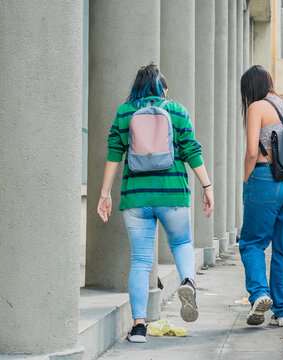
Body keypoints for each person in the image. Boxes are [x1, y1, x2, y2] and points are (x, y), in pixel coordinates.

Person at [97, 63, 214, 343]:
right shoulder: (176, 111)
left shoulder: (125, 112)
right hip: (172, 193)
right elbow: (191, 150)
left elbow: (114, 152)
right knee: (181, 243)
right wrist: (207, 186)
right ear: (162, 88)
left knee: (140, 260)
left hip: (136, 197)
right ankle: (188, 282)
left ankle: (138, 327)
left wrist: (105, 193)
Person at [239, 65, 283, 327]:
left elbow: (252, 153)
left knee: (252, 243)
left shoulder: (257, 107)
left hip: (266, 178)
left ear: (251, 87)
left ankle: (259, 294)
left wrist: (247, 180)